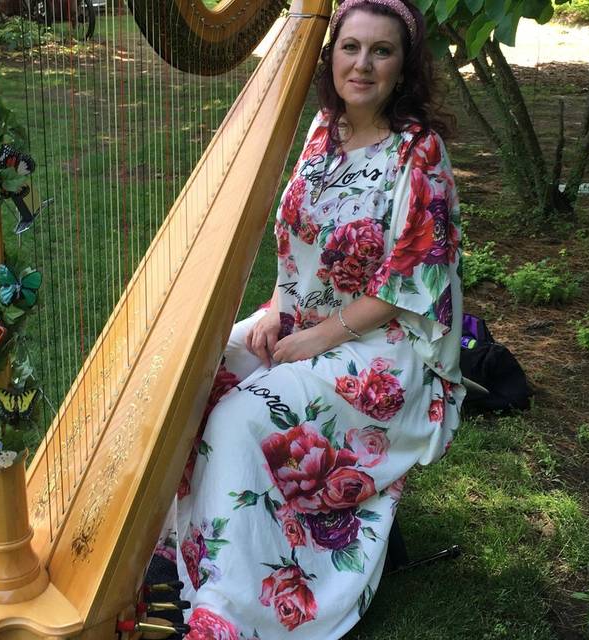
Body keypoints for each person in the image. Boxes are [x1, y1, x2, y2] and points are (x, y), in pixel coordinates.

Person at [155, 0, 464, 637]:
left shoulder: (420, 154)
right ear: (332, 56)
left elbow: (411, 285)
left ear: (403, 67)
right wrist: (276, 307)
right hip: (308, 322)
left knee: (241, 415)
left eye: (381, 51)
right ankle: (208, 554)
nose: (363, 64)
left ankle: (234, 608)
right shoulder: (325, 130)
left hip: (384, 349)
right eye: (351, 47)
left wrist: (316, 337)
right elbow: (298, 234)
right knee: (198, 371)